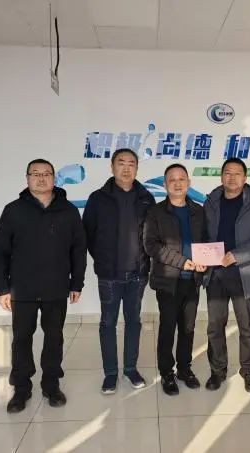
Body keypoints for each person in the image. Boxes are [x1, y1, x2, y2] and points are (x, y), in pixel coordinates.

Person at [0, 158, 86, 413]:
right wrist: (2, 288)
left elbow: (78, 250)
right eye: (35, 173)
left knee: (54, 337)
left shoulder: (68, 211)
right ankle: (21, 388)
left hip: (56, 288)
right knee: (22, 338)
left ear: (54, 178)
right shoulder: (13, 210)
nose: (41, 178)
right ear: (27, 178)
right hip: (22, 288)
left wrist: (77, 283)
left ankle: (51, 384)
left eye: (46, 174)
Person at [82, 148, 155, 394]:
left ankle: (130, 369)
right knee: (108, 323)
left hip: (137, 274)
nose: (126, 168)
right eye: (121, 163)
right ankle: (111, 373)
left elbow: (153, 235)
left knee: (133, 322)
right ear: (112, 167)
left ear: (137, 168)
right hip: (109, 275)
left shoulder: (146, 198)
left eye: (131, 163)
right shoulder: (98, 199)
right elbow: (87, 234)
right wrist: (103, 259)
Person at [203, 157, 250, 393]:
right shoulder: (211, 202)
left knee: (246, 326)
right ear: (221, 176)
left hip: (244, 272)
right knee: (215, 326)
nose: (232, 178)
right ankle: (217, 370)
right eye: (227, 173)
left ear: (245, 177)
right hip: (215, 274)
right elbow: (204, 234)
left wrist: (237, 255)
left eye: (237, 173)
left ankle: (249, 371)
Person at [143, 164, 206, 396]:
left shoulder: (199, 211)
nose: (177, 183)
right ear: (165, 184)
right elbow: (151, 245)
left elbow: (206, 241)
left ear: (189, 182)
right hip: (168, 281)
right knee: (168, 327)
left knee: (188, 328)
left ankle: (184, 369)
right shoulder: (155, 212)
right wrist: (182, 262)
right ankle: (167, 372)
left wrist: (205, 261)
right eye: (172, 179)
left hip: (193, 280)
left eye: (182, 179)